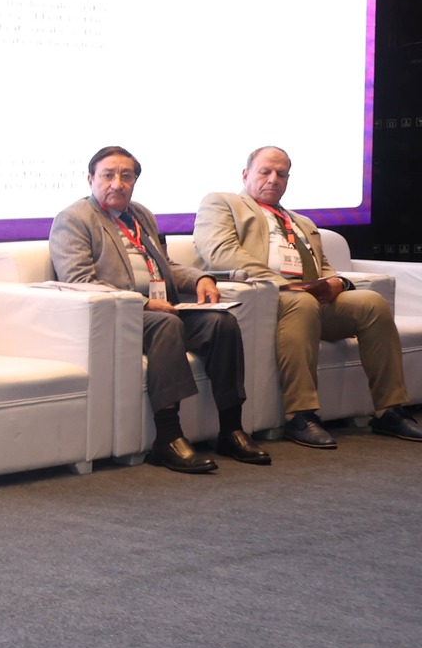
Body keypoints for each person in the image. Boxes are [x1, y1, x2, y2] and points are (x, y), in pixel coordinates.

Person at [49, 146, 268, 473]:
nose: (117, 183)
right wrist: (143, 303)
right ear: (91, 179)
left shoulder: (140, 215)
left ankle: (231, 428)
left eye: (126, 176)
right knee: (167, 325)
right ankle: (167, 437)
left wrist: (200, 279)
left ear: (135, 181)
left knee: (222, 322)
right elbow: (79, 282)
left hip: (161, 307)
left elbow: (165, 265)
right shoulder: (74, 219)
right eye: (108, 175)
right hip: (118, 314)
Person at [193, 146, 422, 448]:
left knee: (372, 303)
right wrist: (286, 286)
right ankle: (300, 415)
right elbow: (222, 254)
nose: (273, 179)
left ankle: (389, 410)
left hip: (311, 298)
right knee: (302, 302)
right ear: (246, 174)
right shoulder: (222, 203)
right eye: (265, 172)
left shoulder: (301, 221)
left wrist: (337, 282)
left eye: (281, 174)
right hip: (265, 298)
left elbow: (321, 266)